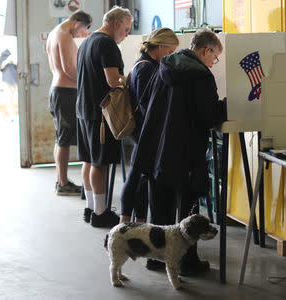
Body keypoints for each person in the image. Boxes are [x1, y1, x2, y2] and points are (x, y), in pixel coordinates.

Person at [131, 29, 227, 275]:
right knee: (188, 212)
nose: (212, 64)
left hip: (156, 150)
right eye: (214, 58)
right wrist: (226, 106)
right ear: (207, 50)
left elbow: (145, 100)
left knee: (160, 207)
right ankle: (187, 262)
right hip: (186, 154)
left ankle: (155, 258)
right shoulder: (201, 76)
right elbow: (208, 116)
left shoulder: (164, 66)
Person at [76, 6, 132, 228]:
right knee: (100, 163)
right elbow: (112, 80)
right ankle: (100, 213)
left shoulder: (88, 41)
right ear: (116, 23)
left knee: (89, 160)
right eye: (126, 29)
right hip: (100, 112)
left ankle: (91, 208)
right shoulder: (107, 43)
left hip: (84, 109)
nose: (126, 35)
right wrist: (129, 79)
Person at [120, 28, 179, 224]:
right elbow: (148, 105)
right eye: (170, 52)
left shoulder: (145, 64)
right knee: (137, 178)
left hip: (144, 131)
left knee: (140, 178)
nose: (170, 57)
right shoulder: (146, 68)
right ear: (160, 47)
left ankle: (137, 223)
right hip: (145, 132)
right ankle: (126, 223)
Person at [46, 10, 92, 196]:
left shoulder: (53, 34)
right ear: (76, 23)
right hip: (65, 92)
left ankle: (61, 181)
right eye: (83, 30)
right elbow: (68, 68)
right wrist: (84, 84)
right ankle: (63, 184)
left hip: (59, 90)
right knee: (64, 140)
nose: (81, 34)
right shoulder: (64, 35)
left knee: (61, 139)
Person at [0, 49, 18, 118]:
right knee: (9, 97)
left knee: (15, 97)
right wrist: (6, 61)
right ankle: (11, 113)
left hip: (15, 80)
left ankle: (14, 112)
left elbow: (18, 66)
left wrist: (13, 61)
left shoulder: (13, 58)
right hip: (7, 80)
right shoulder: (3, 58)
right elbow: (1, 66)